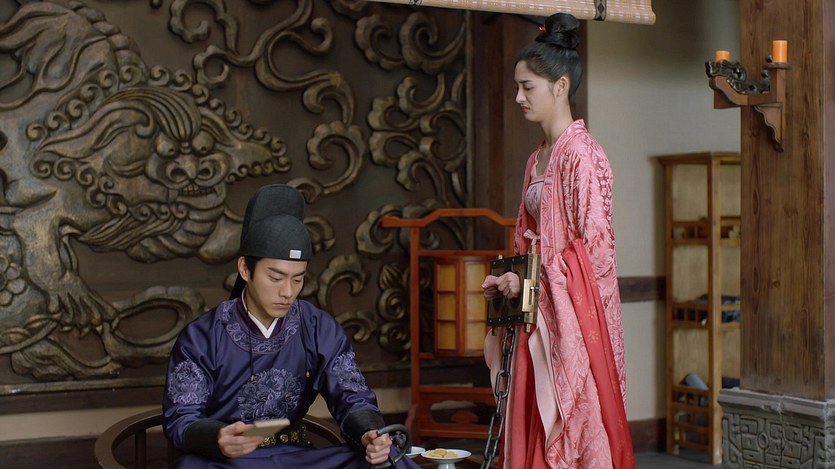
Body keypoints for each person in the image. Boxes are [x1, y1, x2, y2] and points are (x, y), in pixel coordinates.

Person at [163, 184, 418, 468]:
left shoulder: (317, 327)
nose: (287, 292)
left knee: (390, 461)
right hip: (228, 462)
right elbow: (182, 419)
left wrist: (369, 434)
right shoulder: (202, 336)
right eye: (275, 278)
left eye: (298, 279)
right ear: (245, 269)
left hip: (297, 458)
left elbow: (352, 396)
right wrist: (216, 437)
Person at [481, 13, 634, 469]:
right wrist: (511, 278)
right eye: (517, 87)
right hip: (537, 312)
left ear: (561, 86)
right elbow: (527, 237)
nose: (518, 97)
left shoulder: (583, 155)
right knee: (528, 417)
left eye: (527, 87)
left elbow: (597, 253)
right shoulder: (538, 158)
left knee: (575, 428)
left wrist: (533, 277)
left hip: (571, 320)